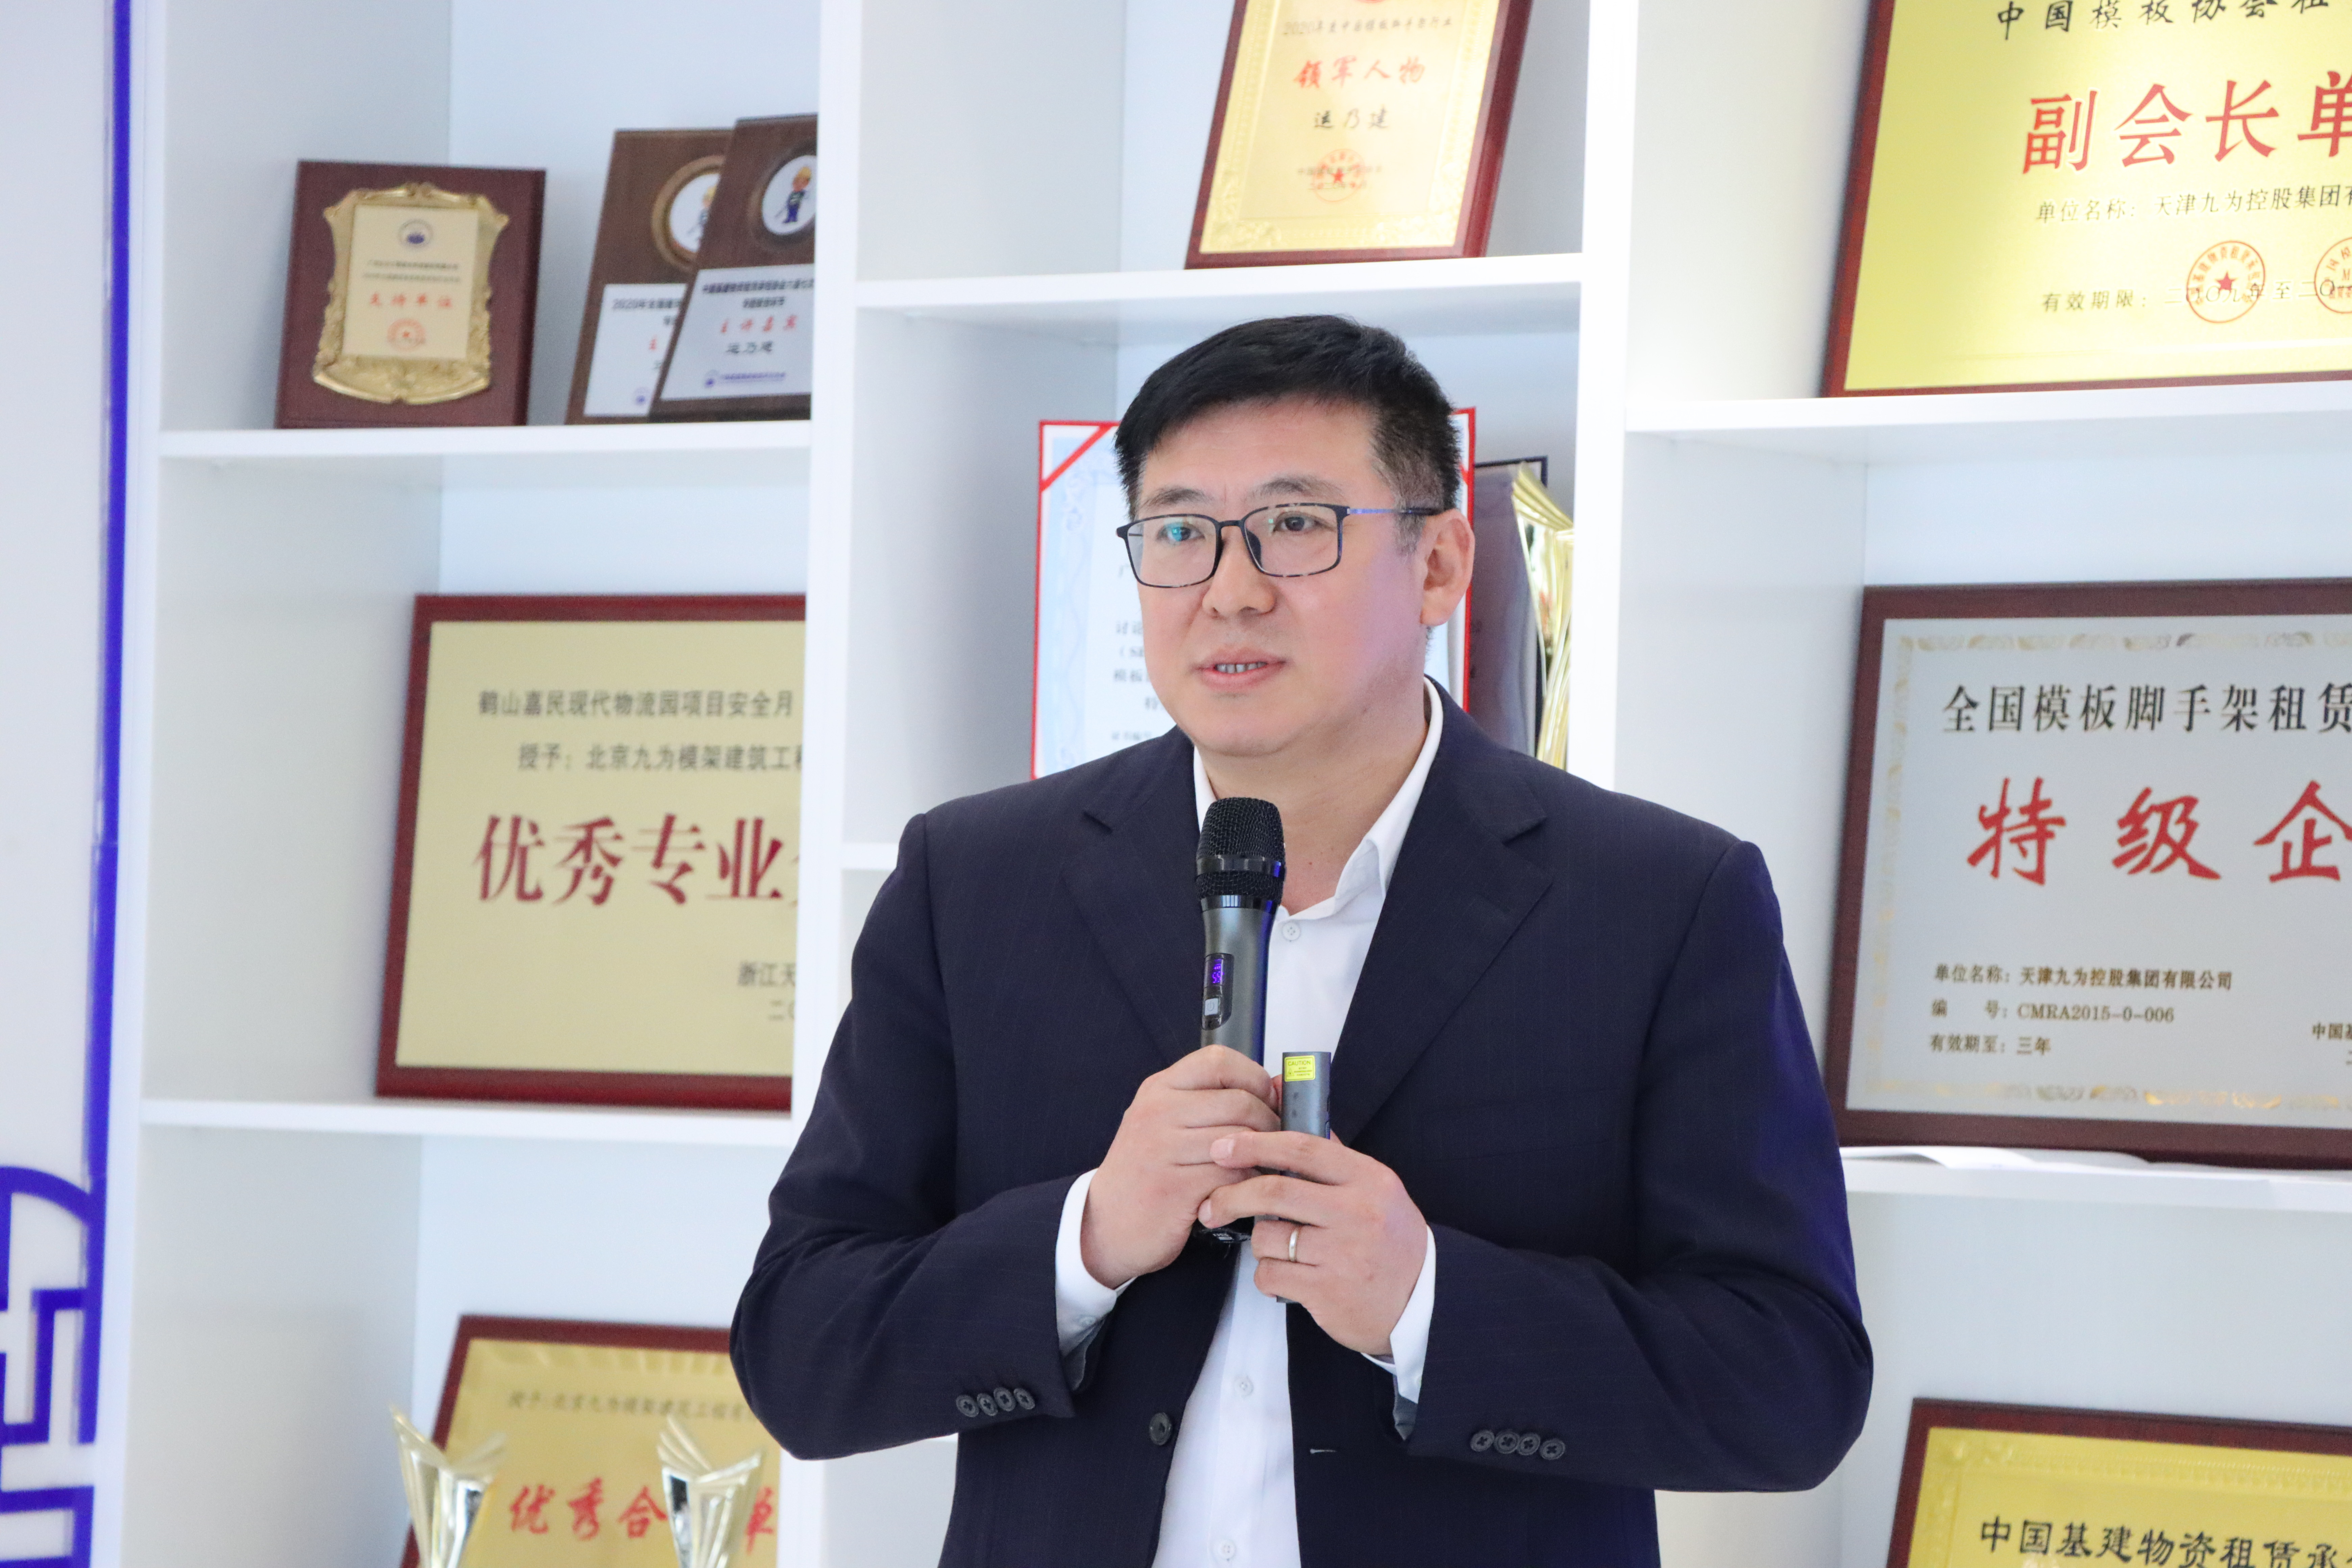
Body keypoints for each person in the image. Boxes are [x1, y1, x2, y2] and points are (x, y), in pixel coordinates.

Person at [732, 315, 1870, 1567]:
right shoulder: (976, 881)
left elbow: (1792, 1382)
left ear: (1440, 564)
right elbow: (801, 1349)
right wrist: (1086, 1240)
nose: (1231, 589)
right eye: (1180, 534)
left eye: (1294, 524)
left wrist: (1427, 1302)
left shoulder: (1660, 899)